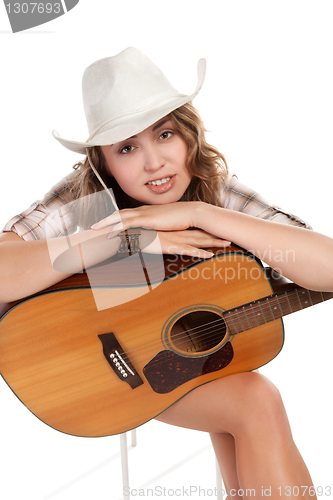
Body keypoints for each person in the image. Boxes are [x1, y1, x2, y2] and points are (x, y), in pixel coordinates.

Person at [0, 47, 332, 498]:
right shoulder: (87, 193)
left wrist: (200, 213)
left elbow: (326, 267)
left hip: (180, 362)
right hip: (94, 370)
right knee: (256, 401)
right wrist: (126, 240)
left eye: (166, 134)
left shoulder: (213, 187)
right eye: (128, 147)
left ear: (189, 137)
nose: (154, 162)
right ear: (104, 162)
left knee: (244, 386)